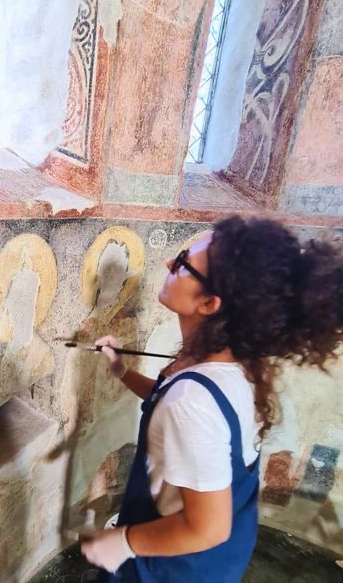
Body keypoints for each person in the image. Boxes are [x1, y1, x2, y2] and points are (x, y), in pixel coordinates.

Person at [80, 215, 343, 582]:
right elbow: (165, 399)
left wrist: (122, 541)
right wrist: (122, 371)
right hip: (222, 556)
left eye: (183, 262)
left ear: (208, 303)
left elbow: (207, 528)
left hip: (176, 568)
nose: (169, 263)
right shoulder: (231, 367)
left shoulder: (193, 403)